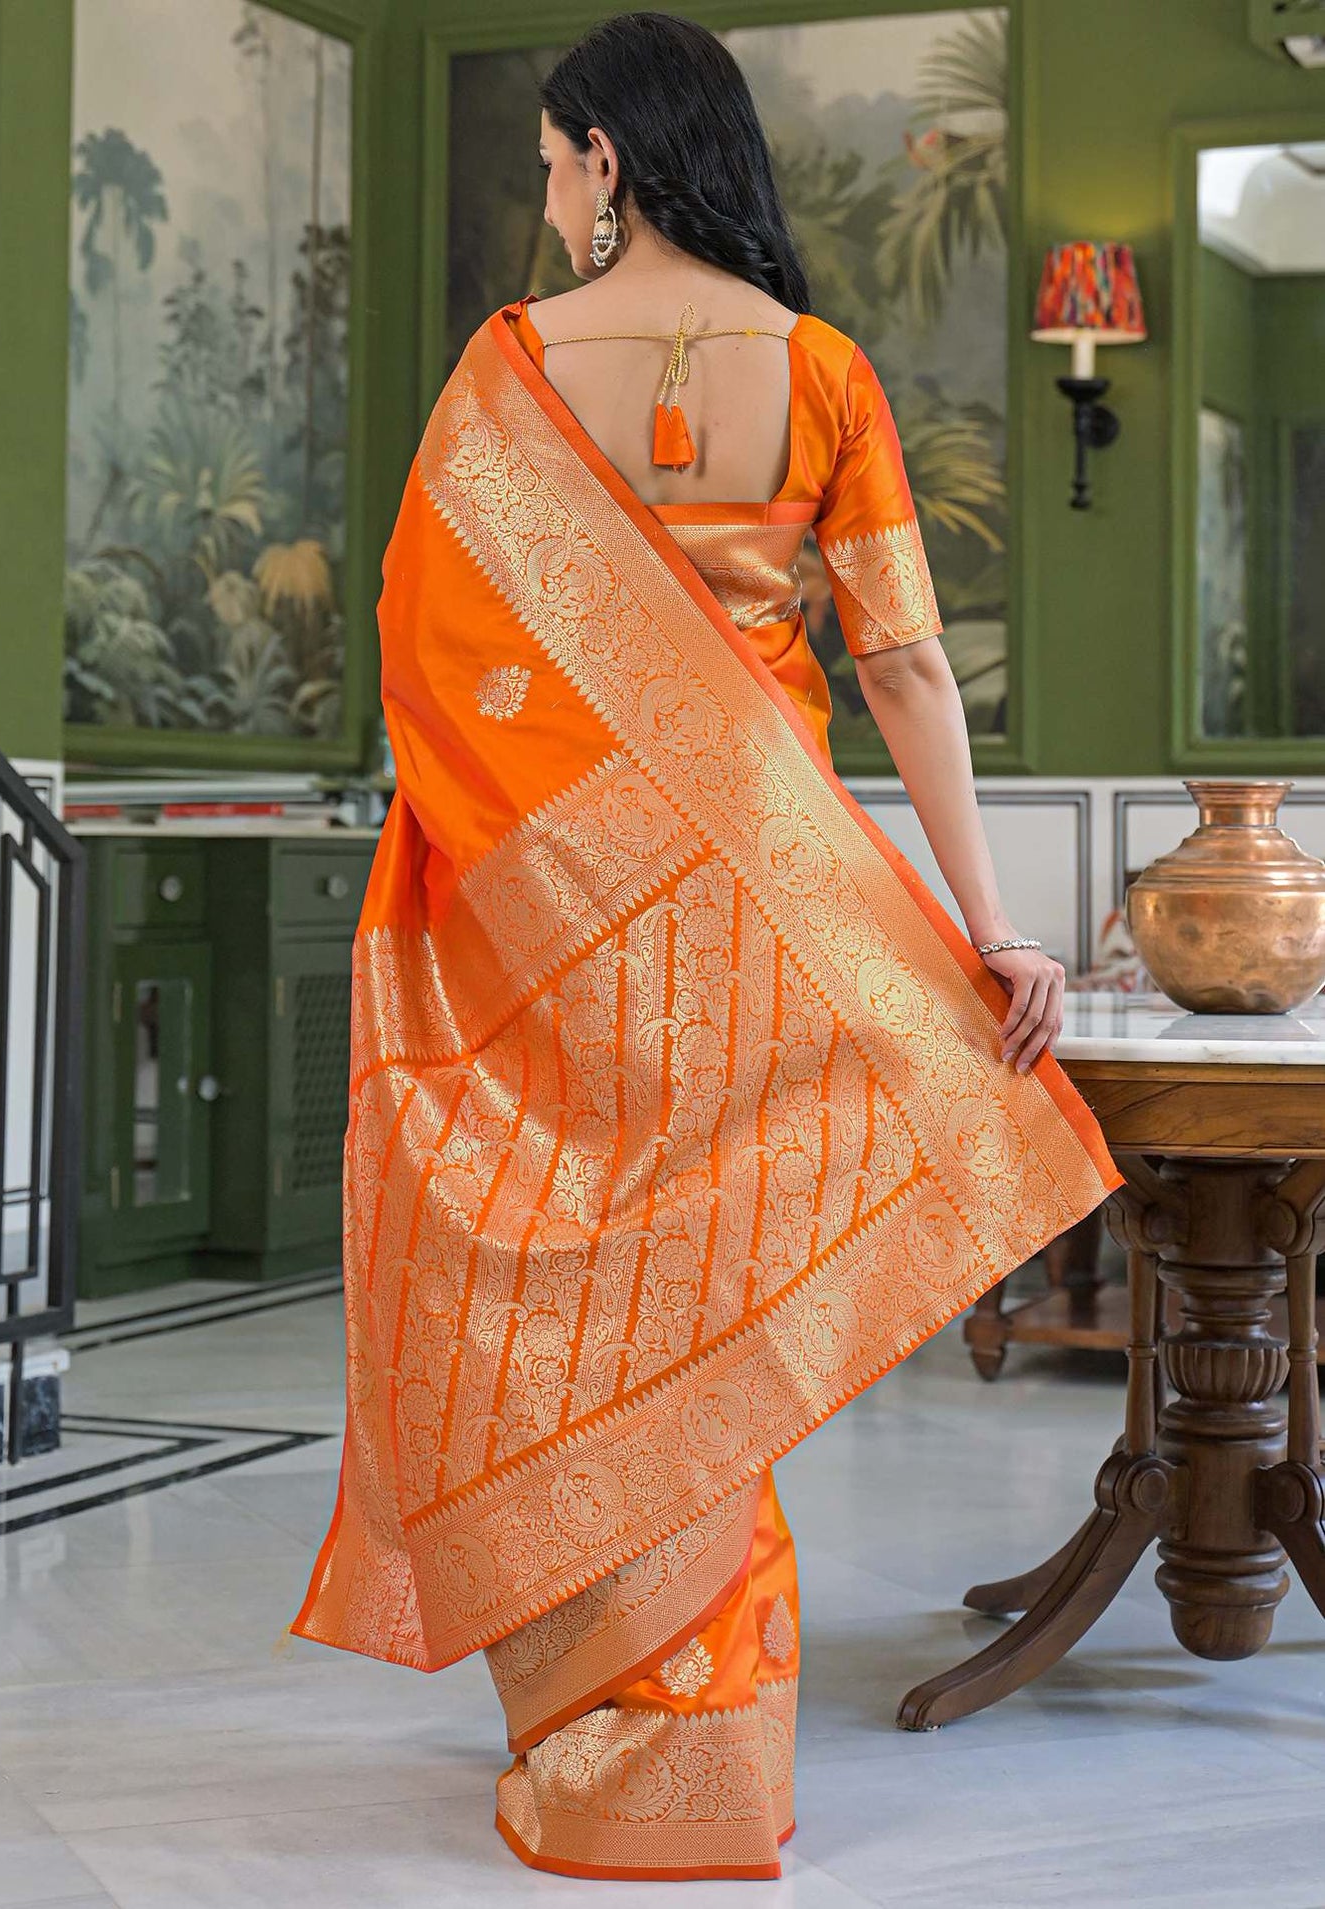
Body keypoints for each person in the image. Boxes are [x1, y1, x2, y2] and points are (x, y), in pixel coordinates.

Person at [290, 11, 1120, 1882]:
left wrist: (514, 861)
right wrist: (988, 927)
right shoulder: (818, 371)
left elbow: (427, 656)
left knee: (591, 1313)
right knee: (710, 1301)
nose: (544, 191)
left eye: (552, 161)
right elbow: (905, 661)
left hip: (557, 922)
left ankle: (608, 1731)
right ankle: (703, 1737)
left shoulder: (506, 374)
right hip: (760, 918)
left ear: (606, 158)